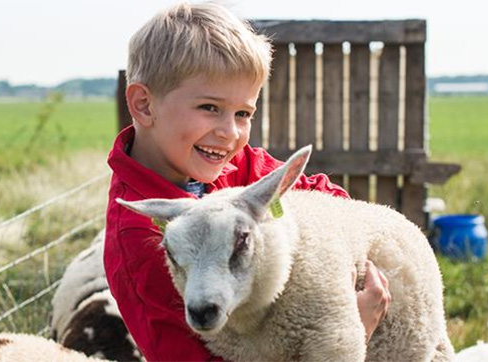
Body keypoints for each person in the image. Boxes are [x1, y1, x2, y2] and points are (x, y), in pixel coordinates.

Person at [103, 3, 391, 361]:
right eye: (210, 107)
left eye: (243, 113)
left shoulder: (233, 167)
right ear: (144, 105)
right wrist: (348, 333)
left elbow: (322, 199)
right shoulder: (139, 238)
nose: (230, 133)